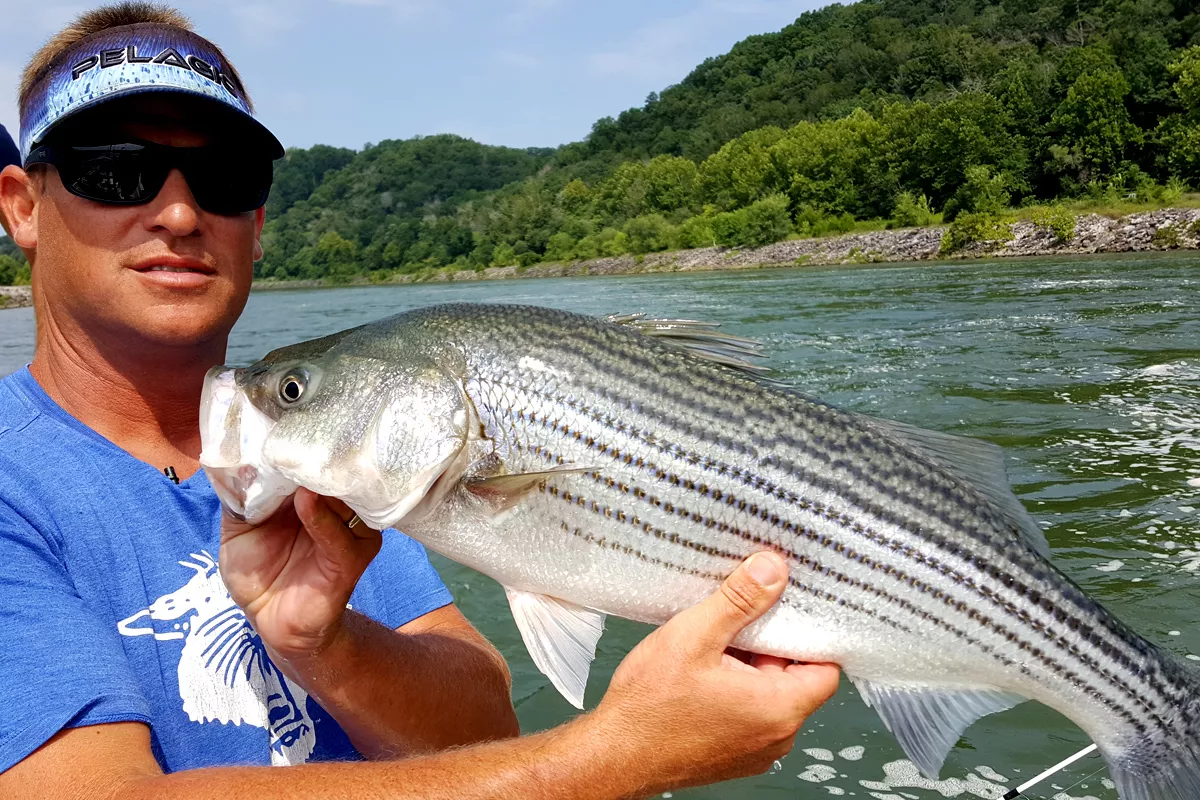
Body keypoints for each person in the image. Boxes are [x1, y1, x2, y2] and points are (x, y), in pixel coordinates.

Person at [0, 4, 840, 799]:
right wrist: (616, 755)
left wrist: (327, 645)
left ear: (256, 222)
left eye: (223, 175)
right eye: (115, 172)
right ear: (22, 208)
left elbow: (484, 723)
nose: (180, 211)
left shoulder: (334, 457)